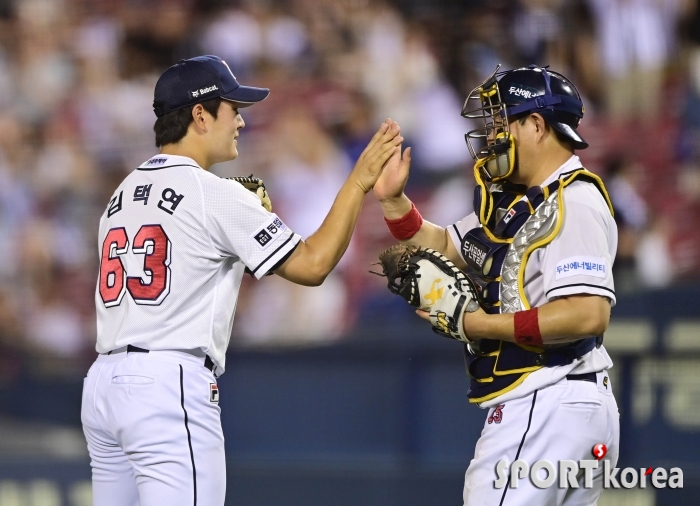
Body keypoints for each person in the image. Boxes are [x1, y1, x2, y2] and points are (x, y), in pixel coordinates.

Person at [80, 54, 403, 506]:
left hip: (103, 386)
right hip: (168, 384)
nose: (241, 122)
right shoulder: (215, 193)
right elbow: (313, 265)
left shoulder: (121, 193)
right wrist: (358, 182)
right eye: (232, 108)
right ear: (199, 115)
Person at [373, 65, 619, 505]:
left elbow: (587, 313)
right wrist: (395, 203)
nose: (491, 137)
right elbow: (448, 245)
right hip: (564, 406)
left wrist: (475, 324)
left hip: (545, 401)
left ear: (537, 125)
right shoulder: (523, 200)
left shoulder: (573, 200)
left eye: (502, 122)